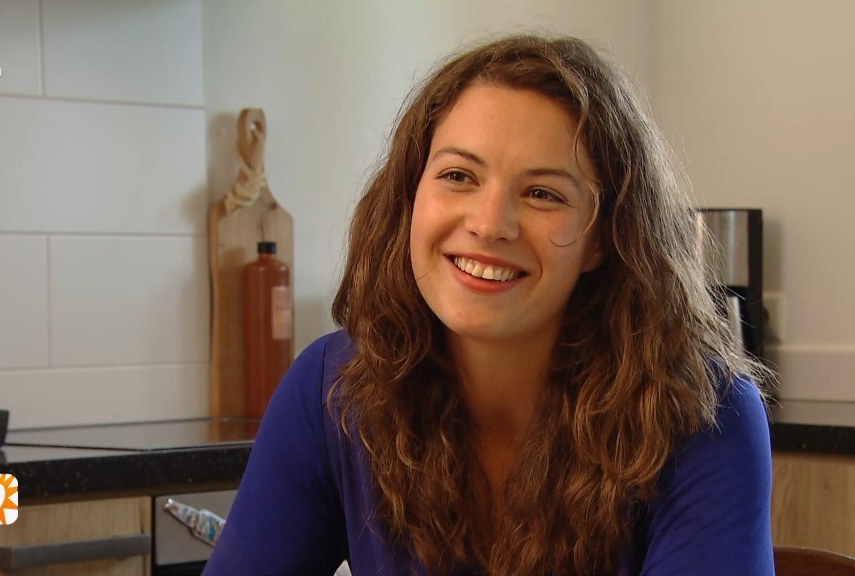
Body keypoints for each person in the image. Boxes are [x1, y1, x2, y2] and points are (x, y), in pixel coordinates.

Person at [203, 34, 774, 576]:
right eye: (458, 175)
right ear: (411, 197)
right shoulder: (330, 390)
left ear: (603, 237)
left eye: (543, 193)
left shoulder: (706, 414)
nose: (489, 223)